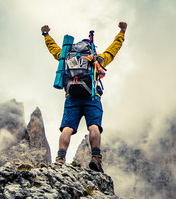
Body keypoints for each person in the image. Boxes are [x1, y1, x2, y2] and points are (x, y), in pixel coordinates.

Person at [41, 22, 127, 172]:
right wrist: (122, 33)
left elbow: (53, 49)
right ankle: (95, 158)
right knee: (94, 126)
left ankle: (60, 159)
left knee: (67, 128)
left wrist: (46, 35)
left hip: (71, 96)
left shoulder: (67, 56)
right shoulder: (96, 59)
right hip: (92, 96)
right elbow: (113, 50)